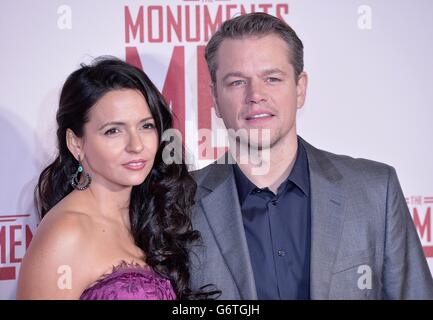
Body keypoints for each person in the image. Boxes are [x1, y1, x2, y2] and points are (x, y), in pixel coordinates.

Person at [188, 12, 433, 299]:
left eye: (272, 78)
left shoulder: (376, 191)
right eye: (237, 82)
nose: (256, 94)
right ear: (215, 99)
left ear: (300, 88)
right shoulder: (180, 204)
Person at [17, 57, 215, 300]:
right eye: (113, 131)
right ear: (76, 143)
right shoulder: (66, 235)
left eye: (146, 126)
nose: (136, 145)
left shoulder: (148, 217)